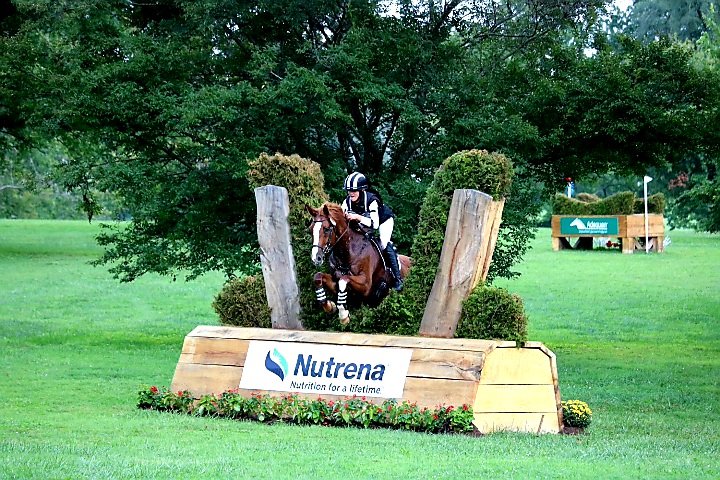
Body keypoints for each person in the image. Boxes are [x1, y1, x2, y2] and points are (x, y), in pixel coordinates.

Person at [341, 172, 403, 291]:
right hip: (364, 223)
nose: (351, 193)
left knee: (384, 244)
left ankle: (397, 278)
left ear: (362, 190)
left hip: (383, 221)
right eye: (349, 190)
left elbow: (374, 225)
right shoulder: (346, 201)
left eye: (354, 190)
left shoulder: (372, 200)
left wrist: (357, 217)